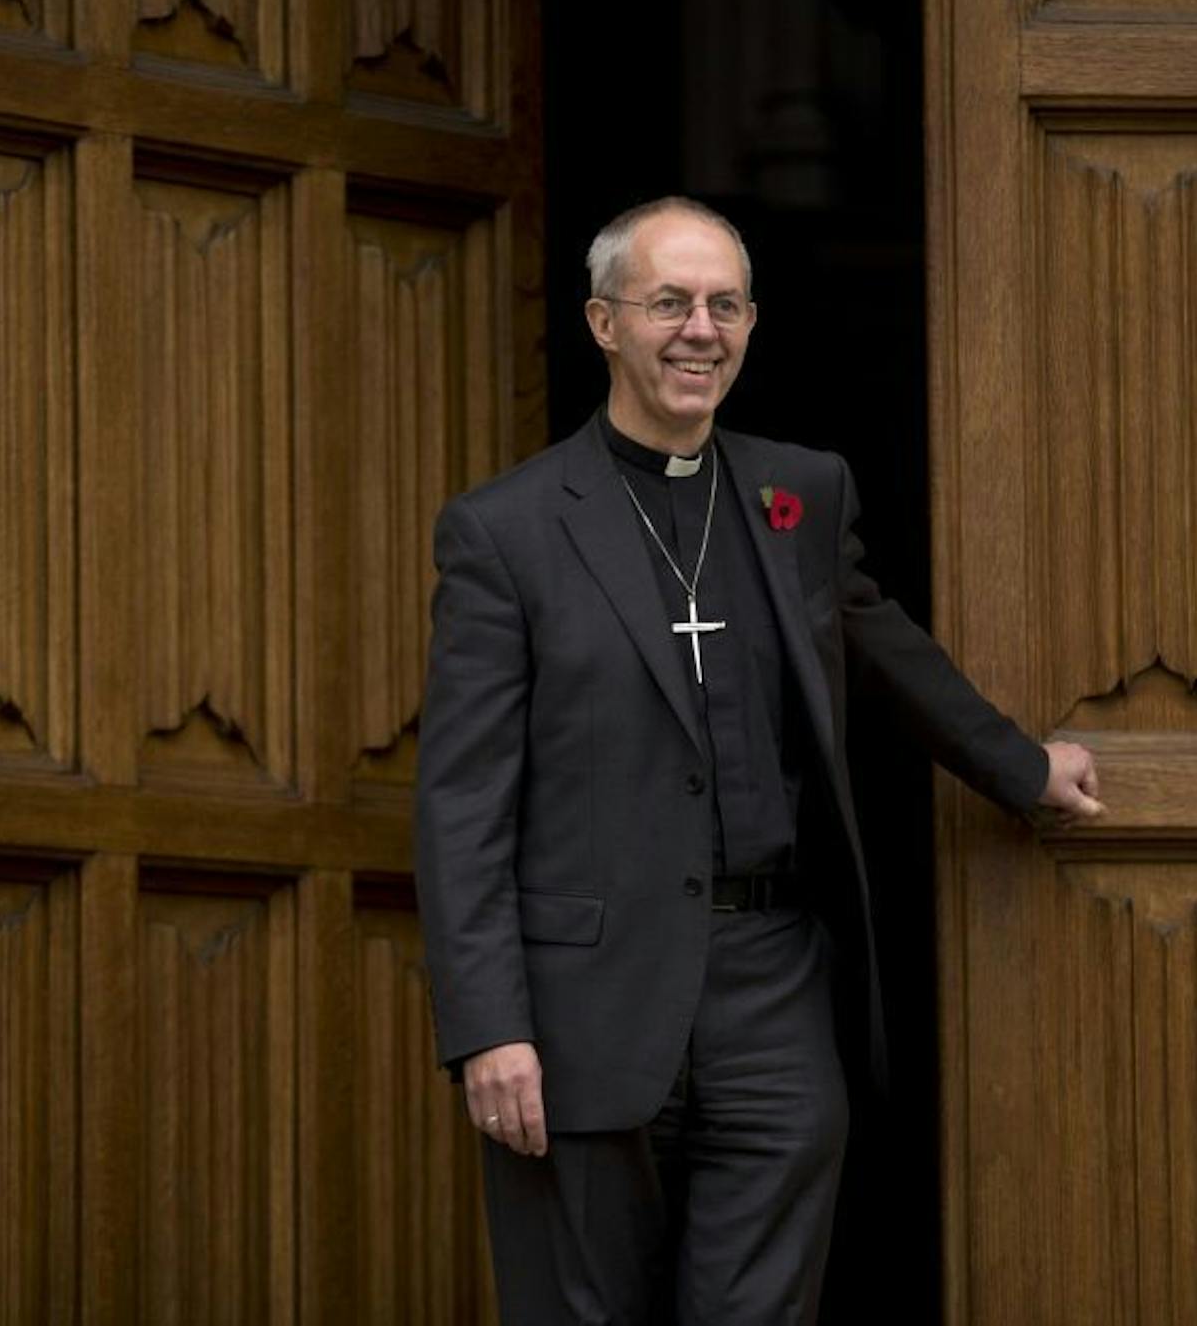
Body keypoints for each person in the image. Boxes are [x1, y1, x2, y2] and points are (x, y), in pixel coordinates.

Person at [414, 196, 1103, 1323]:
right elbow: (463, 805)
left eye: (725, 305)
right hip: (585, 1005)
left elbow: (884, 648)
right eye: (670, 303)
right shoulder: (507, 531)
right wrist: (490, 1024)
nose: (702, 330)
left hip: (770, 989)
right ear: (603, 323)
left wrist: (1021, 767)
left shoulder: (800, 493)